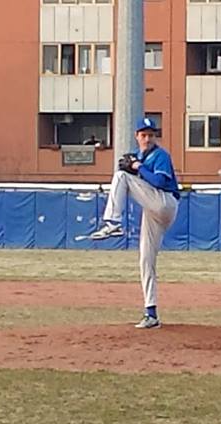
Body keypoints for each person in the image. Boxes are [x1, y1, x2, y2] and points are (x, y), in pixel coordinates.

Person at [90, 117, 180, 329]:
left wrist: (137, 167)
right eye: (143, 135)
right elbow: (140, 175)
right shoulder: (139, 155)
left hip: (165, 202)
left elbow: (159, 182)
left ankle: (113, 222)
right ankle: (151, 313)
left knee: (121, 176)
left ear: (155, 137)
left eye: (150, 135)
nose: (147, 138)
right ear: (137, 136)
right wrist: (136, 166)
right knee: (145, 259)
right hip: (152, 209)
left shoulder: (160, 155)